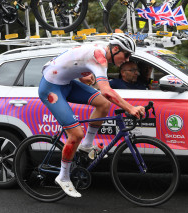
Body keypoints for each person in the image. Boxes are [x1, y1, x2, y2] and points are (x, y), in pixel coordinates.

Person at [38, 34, 145, 198]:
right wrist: (130, 108)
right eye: (126, 54)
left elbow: (73, 60)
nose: (127, 59)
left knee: (103, 104)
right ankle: (63, 176)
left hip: (66, 83)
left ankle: (86, 145)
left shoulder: (103, 50)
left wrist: (82, 75)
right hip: (51, 88)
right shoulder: (100, 58)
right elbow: (107, 91)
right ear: (115, 49)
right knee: (76, 133)